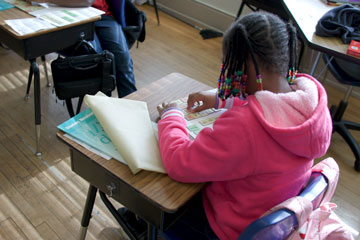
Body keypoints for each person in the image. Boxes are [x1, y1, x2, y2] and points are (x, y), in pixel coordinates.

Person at [156, 12, 333, 239]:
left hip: (225, 229)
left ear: (246, 62)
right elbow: (273, 106)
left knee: (157, 200)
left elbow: (180, 163)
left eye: (232, 64)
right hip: (265, 222)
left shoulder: (245, 126)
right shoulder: (313, 103)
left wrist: (171, 115)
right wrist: (222, 98)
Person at [28, 0, 137, 98]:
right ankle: (102, 108)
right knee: (96, 62)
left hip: (102, 16)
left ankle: (133, 107)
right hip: (69, 20)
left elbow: (87, 1)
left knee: (122, 60)